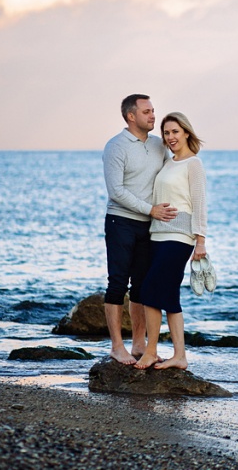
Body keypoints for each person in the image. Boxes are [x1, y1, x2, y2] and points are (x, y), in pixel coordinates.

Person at [102, 94, 177, 365]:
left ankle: (138, 344)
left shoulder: (158, 145)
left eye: (153, 110)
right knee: (117, 283)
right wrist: (150, 209)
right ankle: (116, 347)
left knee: (142, 286)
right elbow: (116, 191)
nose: (153, 115)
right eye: (146, 112)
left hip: (150, 226)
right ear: (131, 116)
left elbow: (172, 173)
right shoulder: (116, 146)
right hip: (120, 222)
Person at [135, 111, 208, 370]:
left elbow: (199, 203)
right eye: (166, 133)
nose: (170, 137)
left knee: (150, 290)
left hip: (179, 237)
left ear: (186, 132)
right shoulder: (168, 162)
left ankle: (151, 351)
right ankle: (180, 356)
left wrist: (200, 241)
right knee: (168, 295)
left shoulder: (193, 164)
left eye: (175, 131)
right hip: (157, 235)